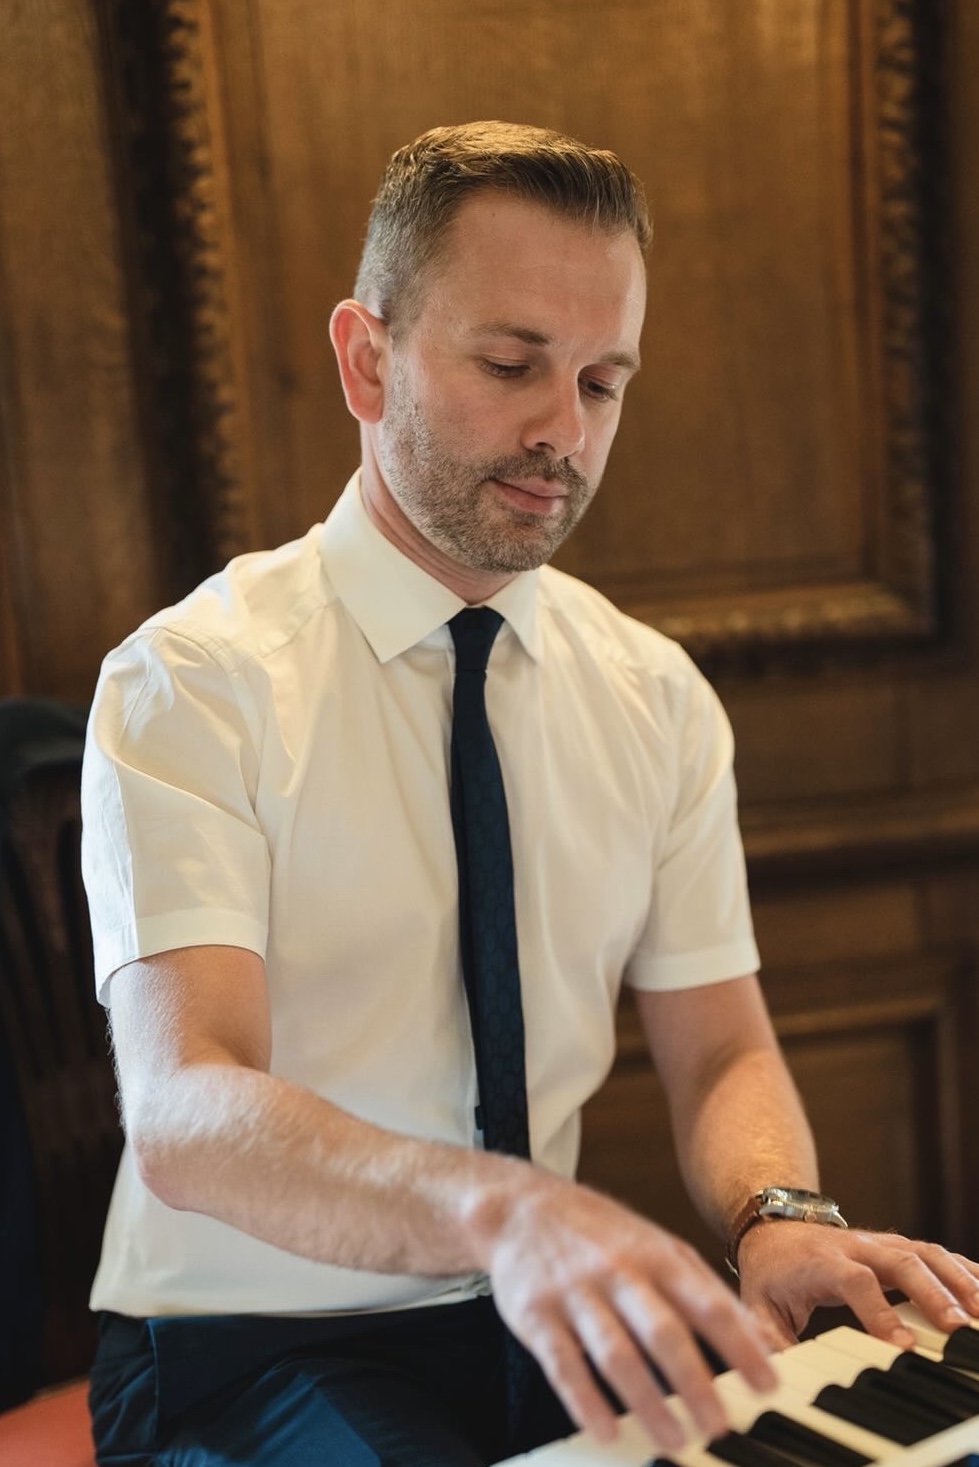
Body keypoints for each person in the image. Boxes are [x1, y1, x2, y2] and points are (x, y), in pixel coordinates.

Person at [81, 120, 979, 1467]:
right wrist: (504, 1212)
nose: (563, 431)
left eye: (603, 381)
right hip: (246, 1347)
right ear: (367, 359)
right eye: (511, 366)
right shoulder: (193, 681)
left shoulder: (655, 694)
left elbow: (721, 1049)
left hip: (537, 1316)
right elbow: (185, 1111)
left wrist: (777, 1214)